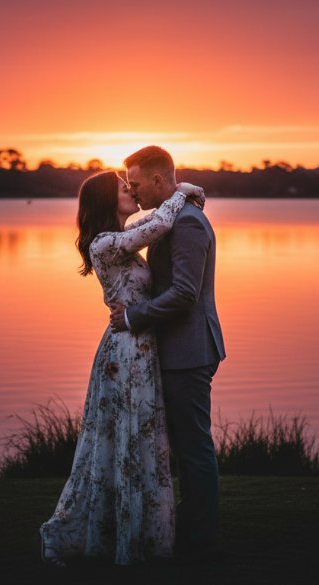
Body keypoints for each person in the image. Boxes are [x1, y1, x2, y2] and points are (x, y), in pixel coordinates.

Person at [40, 170, 205, 567]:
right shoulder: (104, 244)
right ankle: (87, 534)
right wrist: (182, 190)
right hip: (124, 354)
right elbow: (162, 222)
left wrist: (178, 192)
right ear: (104, 200)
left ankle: (144, 534)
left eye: (130, 184)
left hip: (140, 348)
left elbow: (154, 222)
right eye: (121, 187)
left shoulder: (123, 239)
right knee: (122, 441)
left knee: (141, 439)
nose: (130, 190)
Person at [110, 145, 227, 560]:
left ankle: (200, 536)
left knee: (192, 445)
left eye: (137, 183)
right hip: (177, 348)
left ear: (159, 180)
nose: (132, 190)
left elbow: (183, 294)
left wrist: (132, 317)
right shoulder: (170, 218)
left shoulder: (190, 224)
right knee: (182, 443)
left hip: (190, 350)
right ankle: (190, 524)